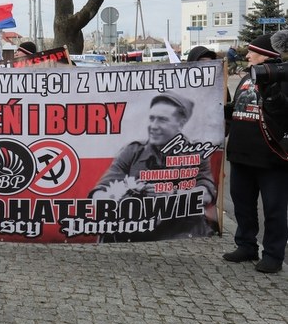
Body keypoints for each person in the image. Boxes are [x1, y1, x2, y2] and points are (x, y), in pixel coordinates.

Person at [90, 92, 217, 241]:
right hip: (134, 232)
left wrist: (173, 194)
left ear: (181, 123)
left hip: (178, 233)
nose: (153, 126)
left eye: (162, 120)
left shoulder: (195, 153)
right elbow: (100, 192)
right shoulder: (133, 151)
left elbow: (206, 194)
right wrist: (122, 194)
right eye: (152, 118)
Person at [223, 33, 288, 273]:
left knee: (274, 210)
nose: (248, 55)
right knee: (243, 205)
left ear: (267, 56)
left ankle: (273, 254)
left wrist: (272, 93)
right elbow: (237, 108)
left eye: (252, 52)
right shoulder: (247, 77)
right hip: (241, 155)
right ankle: (246, 245)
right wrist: (220, 110)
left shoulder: (282, 79)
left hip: (271, 158)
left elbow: (282, 113)